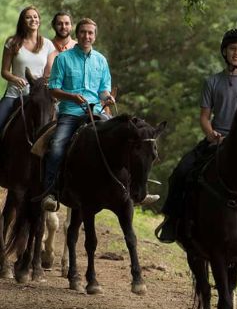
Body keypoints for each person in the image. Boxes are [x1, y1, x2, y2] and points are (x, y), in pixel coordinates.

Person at [155, 28, 237, 243]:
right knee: (181, 171)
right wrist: (211, 134)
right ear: (225, 52)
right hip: (216, 139)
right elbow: (204, 117)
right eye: (233, 49)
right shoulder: (212, 82)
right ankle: (172, 221)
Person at [41, 18, 158, 211]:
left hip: (97, 112)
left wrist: (108, 98)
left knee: (126, 141)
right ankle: (51, 192)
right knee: (56, 146)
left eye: (90, 33)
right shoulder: (63, 59)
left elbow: (103, 90)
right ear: (77, 35)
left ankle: (133, 190)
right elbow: (53, 89)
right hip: (70, 113)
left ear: (94, 36)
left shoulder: (101, 60)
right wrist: (72, 97)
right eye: (83, 32)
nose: (87, 36)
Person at [0, 5, 54, 131]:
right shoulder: (12, 42)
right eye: (28, 17)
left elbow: (49, 74)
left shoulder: (47, 44)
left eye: (35, 17)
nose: (33, 20)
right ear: (22, 21)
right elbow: (4, 71)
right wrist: (15, 78)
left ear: (39, 20)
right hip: (14, 94)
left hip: (39, 95)